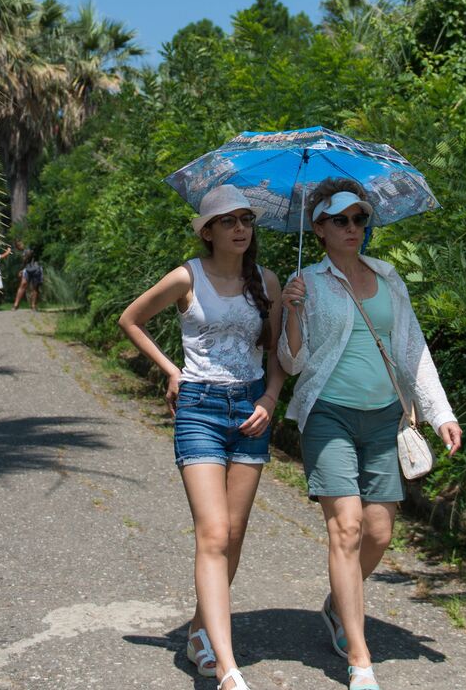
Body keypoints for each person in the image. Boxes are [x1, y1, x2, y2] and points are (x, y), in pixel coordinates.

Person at [279, 178, 463, 690]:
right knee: (347, 527)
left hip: (386, 415)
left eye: (360, 218)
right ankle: (359, 657)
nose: (354, 228)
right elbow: (292, 363)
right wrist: (292, 311)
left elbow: (412, 349)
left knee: (380, 532)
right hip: (330, 414)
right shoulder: (307, 283)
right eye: (341, 220)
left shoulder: (389, 277)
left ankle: (339, 604)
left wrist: (440, 411)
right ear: (318, 229)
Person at [117, 186, 282, 690]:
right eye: (227, 221)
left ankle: (197, 631)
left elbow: (278, 355)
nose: (240, 228)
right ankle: (228, 669)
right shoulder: (187, 276)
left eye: (246, 220)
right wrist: (171, 370)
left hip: (252, 408)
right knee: (212, 533)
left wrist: (271, 399)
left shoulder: (268, 282)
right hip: (201, 409)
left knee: (232, 535)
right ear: (207, 231)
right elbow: (131, 319)